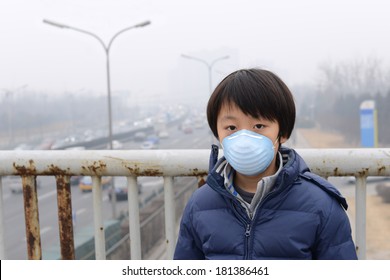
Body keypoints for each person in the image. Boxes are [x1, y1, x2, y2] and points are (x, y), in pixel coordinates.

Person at [174, 68, 358, 260]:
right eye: (231, 128)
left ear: (283, 133)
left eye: (259, 126)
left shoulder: (321, 206)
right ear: (217, 133)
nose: (244, 138)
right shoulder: (199, 205)